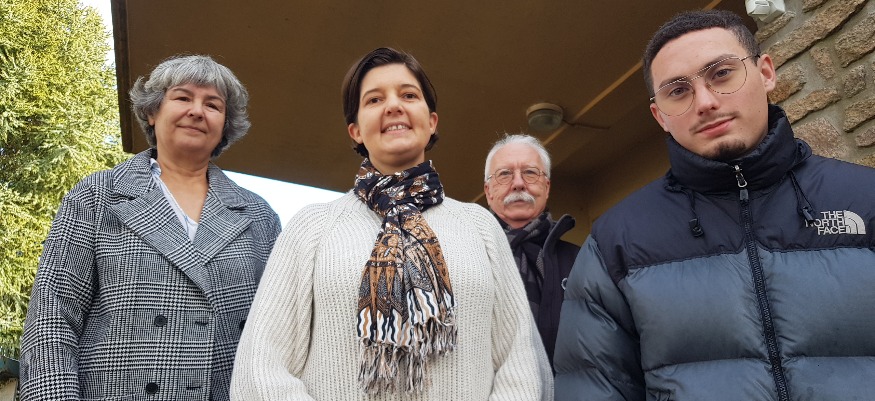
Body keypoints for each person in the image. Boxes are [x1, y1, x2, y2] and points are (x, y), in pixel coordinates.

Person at [554, 9, 875, 401]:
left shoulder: (866, 198)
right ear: (659, 116)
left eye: (721, 73)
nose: (704, 102)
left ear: (766, 73)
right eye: (677, 91)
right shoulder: (614, 243)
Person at [230, 47, 552, 400]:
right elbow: (261, 366)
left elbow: (520, 362)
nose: (394, 106)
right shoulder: (312, 227)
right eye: (374, 99)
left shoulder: (480, 227)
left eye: (409, 95)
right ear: (355, 130)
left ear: (432, 121)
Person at [19, 55, 281, 401]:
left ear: (225, 125)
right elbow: (52, 318)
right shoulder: (97, 196)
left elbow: (275, 339)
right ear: (152, 111)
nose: (197, 111)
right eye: (183, 97)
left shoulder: (260, 217)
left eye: (213, 105)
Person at [483, 134, 580, 370]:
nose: (518, 183)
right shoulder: (465, 260)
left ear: (546, 187)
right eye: (504, 174)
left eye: (530, 172)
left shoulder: (582, 261)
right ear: (488, 191)